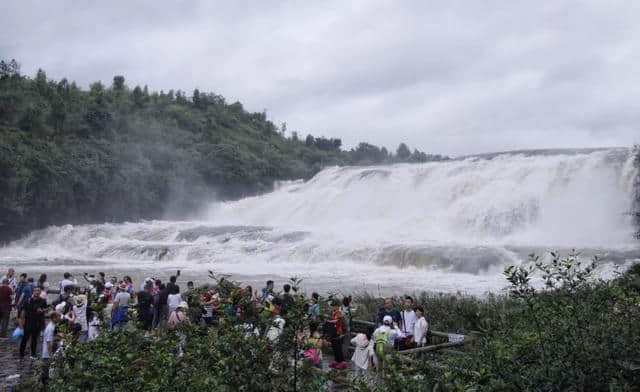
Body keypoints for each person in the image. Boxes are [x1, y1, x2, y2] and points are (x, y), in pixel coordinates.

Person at [19, 287, 48, 360]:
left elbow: (46, 309)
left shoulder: (43, 301)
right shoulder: (28, 301)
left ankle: (33, 354)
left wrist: (42, 310)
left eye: (38, 291)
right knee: (25, 338)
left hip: (37, 322)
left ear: (40, 292)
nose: (37, 292)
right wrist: (21, 323)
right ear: (33, 292)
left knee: (34, 339)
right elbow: (23, 312)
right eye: (35, 291)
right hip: (28, 321)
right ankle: (21, 354)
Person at [41, 311, 61, 385]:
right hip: (47, 354)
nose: (59, 318)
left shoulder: (52, 326)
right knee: (46, 373)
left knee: (47, 372)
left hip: (48, 354)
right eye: (58, 317)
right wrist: (51, 355)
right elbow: (49, 343)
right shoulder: (50, 328)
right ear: (53, 318)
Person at [327, 300, 347, 369]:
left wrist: (329, 322)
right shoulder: (334, 312)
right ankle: (337, 360)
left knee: (338, 347)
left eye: (333, 306)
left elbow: (337, 320)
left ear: (336, 306)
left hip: (338, 332)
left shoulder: (338, 313)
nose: (332, 307)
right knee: (334, 347)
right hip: (334, 331)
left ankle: (342, 361)